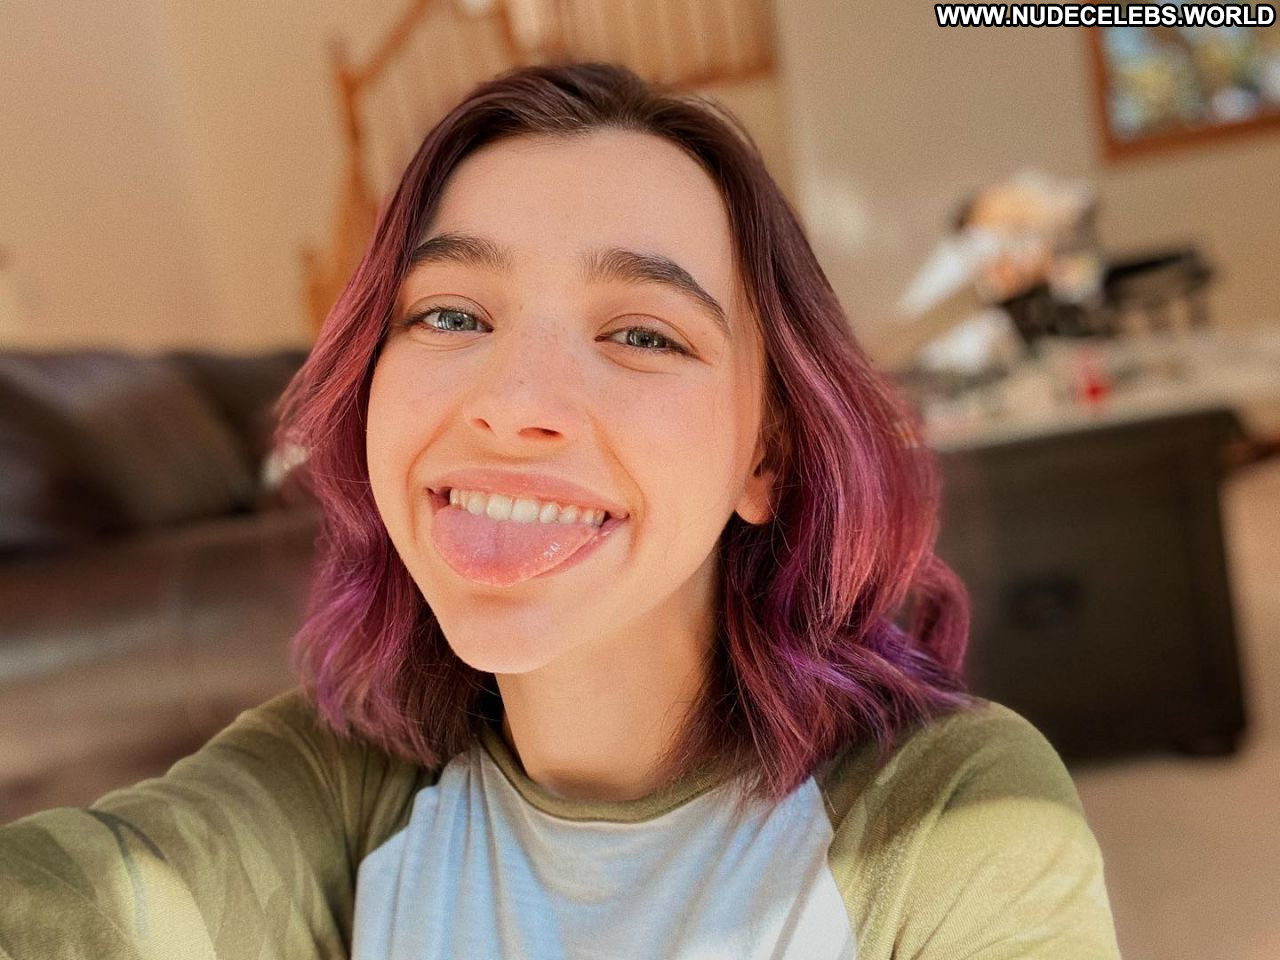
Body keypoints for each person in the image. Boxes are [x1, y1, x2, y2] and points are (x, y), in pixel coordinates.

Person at [0, 63, 1121, 959]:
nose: (514, 404)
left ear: (765, 458)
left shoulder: (950, 816)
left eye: (641, 333)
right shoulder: (342, 782)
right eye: (449, 315)